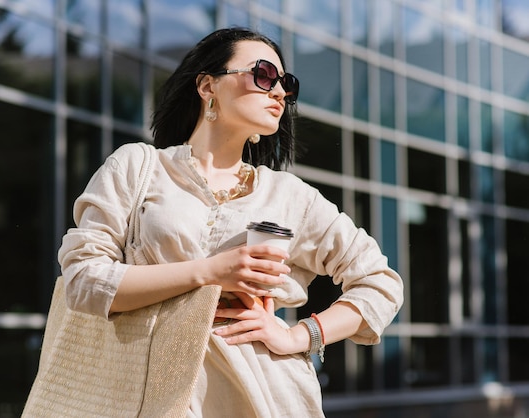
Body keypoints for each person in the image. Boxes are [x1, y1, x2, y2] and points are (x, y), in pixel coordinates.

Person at [55, 27, 403, 417]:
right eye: (264, 75)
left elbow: (380, 283)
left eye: (285, 84)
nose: (279, 92)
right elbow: (83, 280)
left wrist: (300, 336)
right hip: (141, 396)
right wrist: (210, 271)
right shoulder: (138, 166)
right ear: (208, 86)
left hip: (266, 396)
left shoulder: (290, 195)